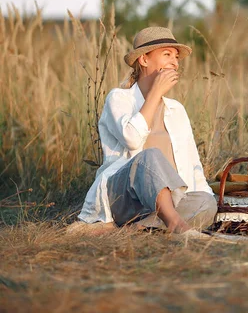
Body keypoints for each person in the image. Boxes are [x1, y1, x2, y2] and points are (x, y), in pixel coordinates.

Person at [76, 27, 217, 237]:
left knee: (207, 202)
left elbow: (194, 165)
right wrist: (155, 93)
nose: (175, 63)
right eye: (167, 55)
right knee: (149, 156)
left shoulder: (177, 110)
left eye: (176, 57)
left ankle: (135, 229)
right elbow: (132, 140)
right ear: (143, 60)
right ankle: (176, 225)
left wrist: (211, 201)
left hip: (164, 202)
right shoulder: (118, 99)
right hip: (125, 197)